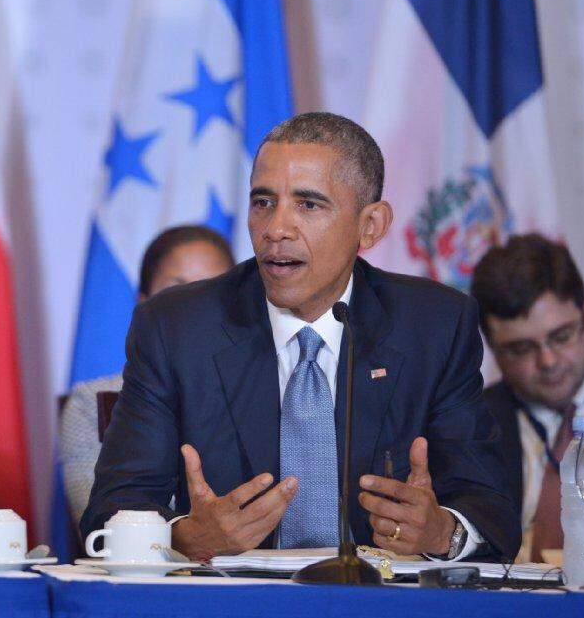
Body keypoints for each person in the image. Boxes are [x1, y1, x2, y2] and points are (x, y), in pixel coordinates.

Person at [83, 112, 519, 562]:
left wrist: (441, 533)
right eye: (263, 202)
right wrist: (187, 539)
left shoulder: (434, 325)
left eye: (308, 204)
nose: (276, 229)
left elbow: (492, 514)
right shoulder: (175, 328)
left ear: (370, 225)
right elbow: (109, 513)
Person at [60, 226, 235, 523]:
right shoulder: (91, 402)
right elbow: (101, 519)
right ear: (145, 303)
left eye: (210, 290)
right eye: (177, 291)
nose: (195, 307)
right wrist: (188, 533)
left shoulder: (269, 385)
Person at [470, 234, 584, 563]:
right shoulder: (471, 423)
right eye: (522, 348)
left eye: (561, 336)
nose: (548, 361)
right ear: (493, 349)